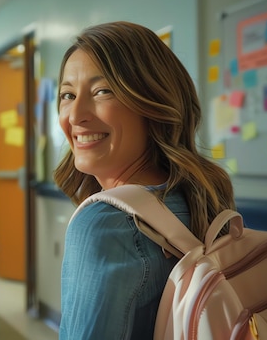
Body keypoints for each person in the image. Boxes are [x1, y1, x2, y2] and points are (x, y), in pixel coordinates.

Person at [54, 21, 235, 339]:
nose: (75, 114)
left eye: (102, 91)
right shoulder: (202, 197)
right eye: (68, 95)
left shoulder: (105, 224)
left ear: (151, 103)